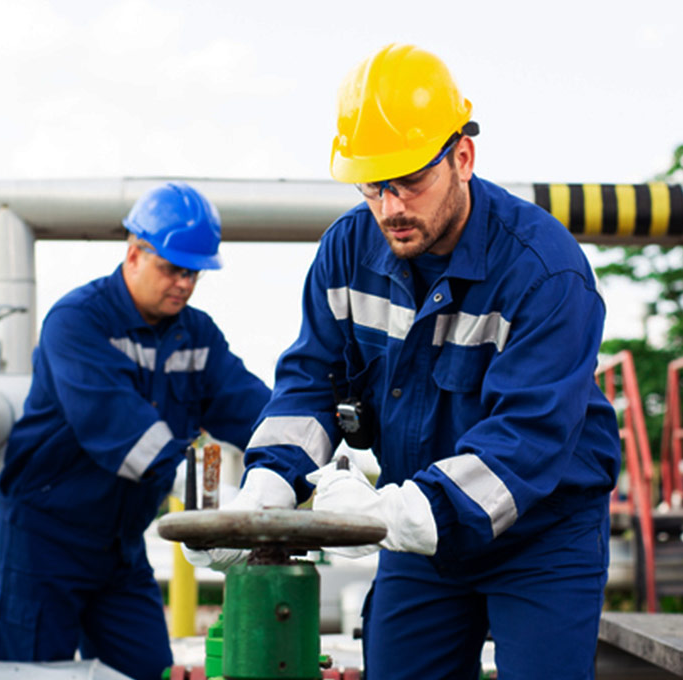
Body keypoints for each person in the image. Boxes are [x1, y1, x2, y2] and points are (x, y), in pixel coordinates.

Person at [193, 44, 622, 679]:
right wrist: (267, 489)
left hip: (541, 533)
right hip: (418, 531)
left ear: (463, 158)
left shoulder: (545, 271)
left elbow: (526, 440)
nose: (391, 206)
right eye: (373, 185)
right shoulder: (346, 252)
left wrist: (386, 514)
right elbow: (313, 383)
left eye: (411, 181)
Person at [0, 182, 272, 680]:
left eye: (194, 273)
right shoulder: (78, 322)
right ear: (134, 253)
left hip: (119, 549)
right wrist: (210, 493)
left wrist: (307, 452)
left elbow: (251, 409)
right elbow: (123, 432)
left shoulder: (197, 335)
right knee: (30, 674)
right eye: (172, 269)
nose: (183, 284)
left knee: (147, 671)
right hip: (44, 543)